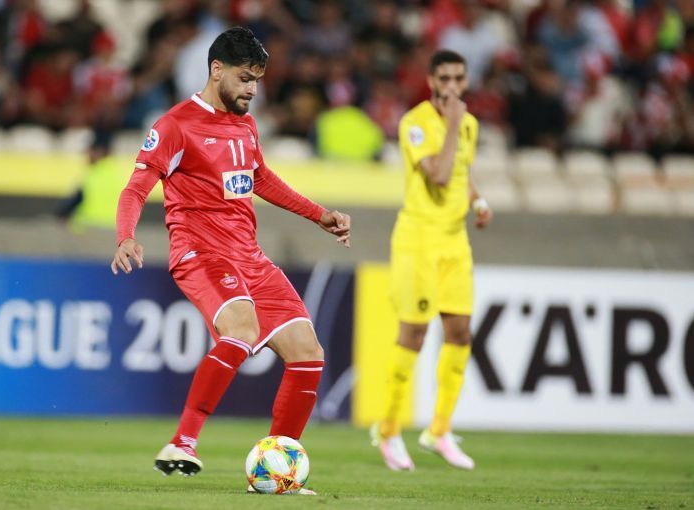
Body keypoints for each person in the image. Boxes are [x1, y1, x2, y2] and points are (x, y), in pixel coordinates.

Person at [110, 27, 351, 489]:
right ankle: (182, 442)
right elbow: (136, 187)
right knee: (241, 328)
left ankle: (280, 471)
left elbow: (261, 179)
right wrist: (126, 236)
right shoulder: (175, 125)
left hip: (249, 257)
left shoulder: (245, 124)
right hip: (200, 252)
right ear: (216, 70)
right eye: (245, 79)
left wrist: (318, 215)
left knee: (308, 352)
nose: (252, 90)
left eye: (256, 81)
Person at [370, 49, 493, 472]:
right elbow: (438, 176)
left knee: (460, 332)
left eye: (459, 78)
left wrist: (478, 201)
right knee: (414, 335)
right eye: (445, 78)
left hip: (455, 241)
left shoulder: (469, 124)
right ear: (431, 81)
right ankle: (388, 430)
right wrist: (453, 123)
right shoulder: (416, 123)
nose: (453, 86)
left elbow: (460, 173)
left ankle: (439, 430)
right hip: (419, 240)